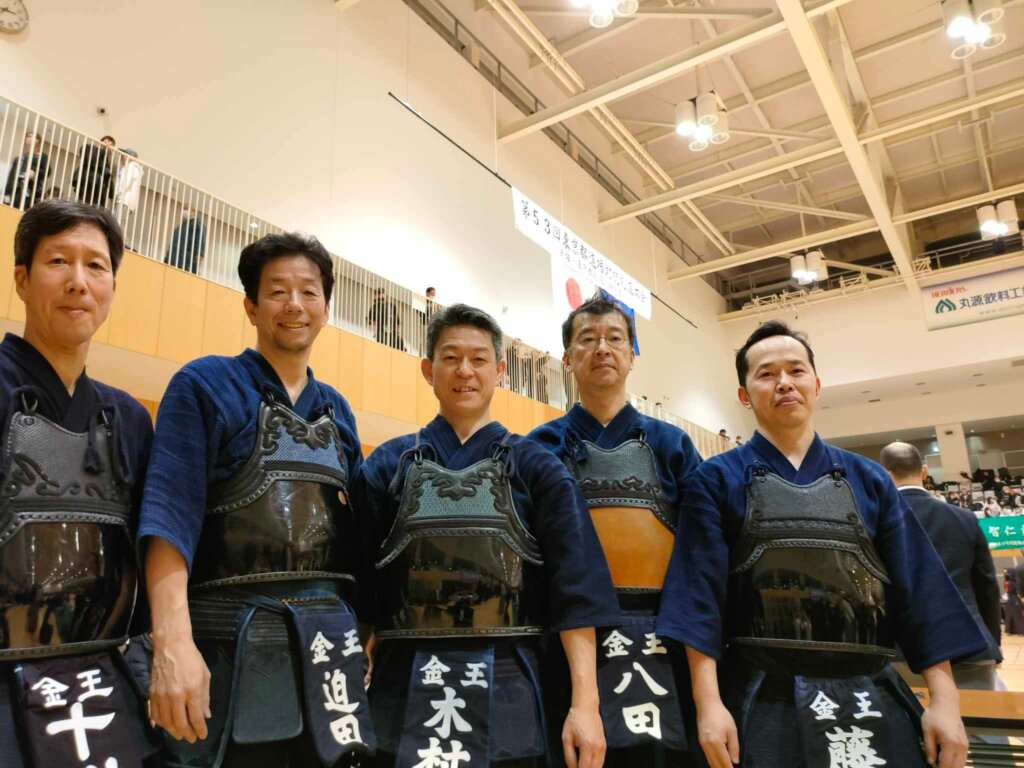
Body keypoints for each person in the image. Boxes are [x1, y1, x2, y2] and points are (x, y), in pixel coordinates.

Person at [658, 320, 987, 768]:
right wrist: (709, 703)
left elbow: (921, 589)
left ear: (816, 384)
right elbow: (699, 598)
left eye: (796, 370)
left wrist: (944, 701)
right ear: (744, 395)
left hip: (868, 689)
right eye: (766, 374)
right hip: (761, 693)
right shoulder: (716, 479)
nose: (784, 383)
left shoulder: (869, 479)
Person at [139, 232, 375, 767]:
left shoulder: (338, 410)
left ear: (326, 309)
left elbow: (356, 539)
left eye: (309, 292)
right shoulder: (205, 384)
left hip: (328, 654)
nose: (294, 304)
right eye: (277, 291)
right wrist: (172, 645)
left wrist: (366, 633)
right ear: (250, 306)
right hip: (228, 649)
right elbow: (169, 515)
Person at [354, 303, 619, 768]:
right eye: (450, 357)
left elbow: (577, 591)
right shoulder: (387, 465)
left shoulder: (538, 467)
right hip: (403, 680)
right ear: (428, 370)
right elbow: (359, 582)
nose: (465, 371)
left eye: (479, 359)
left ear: (499, 371)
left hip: (511, 681)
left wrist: (585, 705)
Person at [0, 200, 157, 767]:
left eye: (96, 266)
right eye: (58, 261)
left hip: (101, 679)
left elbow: (147, 553)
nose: (78, 282)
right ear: (22, 279)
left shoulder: (129, 418)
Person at [528, 297, 702, 767]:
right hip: (566, 635)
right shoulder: (539, 447)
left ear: (631, 355)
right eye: (587, 339)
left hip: (660, 634)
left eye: (614, 339)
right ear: (567, 358)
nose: (602, 348)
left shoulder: (672, 444)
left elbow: (698, 557)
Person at [880, 442, 1003, 692]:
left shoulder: (875, 522)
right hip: (972, 643)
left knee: (910, 717)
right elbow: (987, 587)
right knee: (977, 717)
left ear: (884, 475)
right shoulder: (965, 518)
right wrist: (992, 641)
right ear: (924, 471)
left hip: (902, 649)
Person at [3, 131, 49, 209]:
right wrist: (6, 193)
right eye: (28, 136)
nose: (30, 138)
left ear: (39, 141)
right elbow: (11, 176)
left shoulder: (43, 156)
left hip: (32, 190)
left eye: (33, 136)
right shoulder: (20, 158)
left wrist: (34, 172)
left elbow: (47, 171)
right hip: (16, 191)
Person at [73, 135, 116, 207]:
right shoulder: (92, 150)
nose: (108, 144)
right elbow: (91, 160)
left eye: (111, 143)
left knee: (95, 209)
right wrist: (103, 151)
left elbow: (110, 175)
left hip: (100, 189)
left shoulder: (112, 161)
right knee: (82, 205)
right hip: (88, 181)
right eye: (106, 141)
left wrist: (111, 193)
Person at [163, 203, 206, 275]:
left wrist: (197, 263)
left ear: (193, 211)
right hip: (172, 260)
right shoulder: (182, 226)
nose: (184, 211)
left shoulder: (197, 225)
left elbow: (200, 245)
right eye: (183, 209)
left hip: (185, 263)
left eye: (186, 209)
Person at [114, 148, 143, 232]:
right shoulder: (135, 168)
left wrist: (116, 194)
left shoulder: (130, 166)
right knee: (119, 223)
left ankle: (119, 239)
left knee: (116, 224)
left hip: (123, 200)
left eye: (123, 155)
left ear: (129, 157)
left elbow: (125, 182)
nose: (121, 157)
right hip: (128, 202)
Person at [367, 286, 403, 351]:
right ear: (376, 296)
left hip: (392, 332)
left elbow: (398, 321)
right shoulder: (374, 308)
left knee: (400, 343)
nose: (381, 295)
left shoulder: (392, 306)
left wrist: (396, 331)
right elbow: (369, 321)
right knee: (383, 346)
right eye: (378, 293)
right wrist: (377, 322)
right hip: (381, 332)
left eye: (382, 293)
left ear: (385, 294)